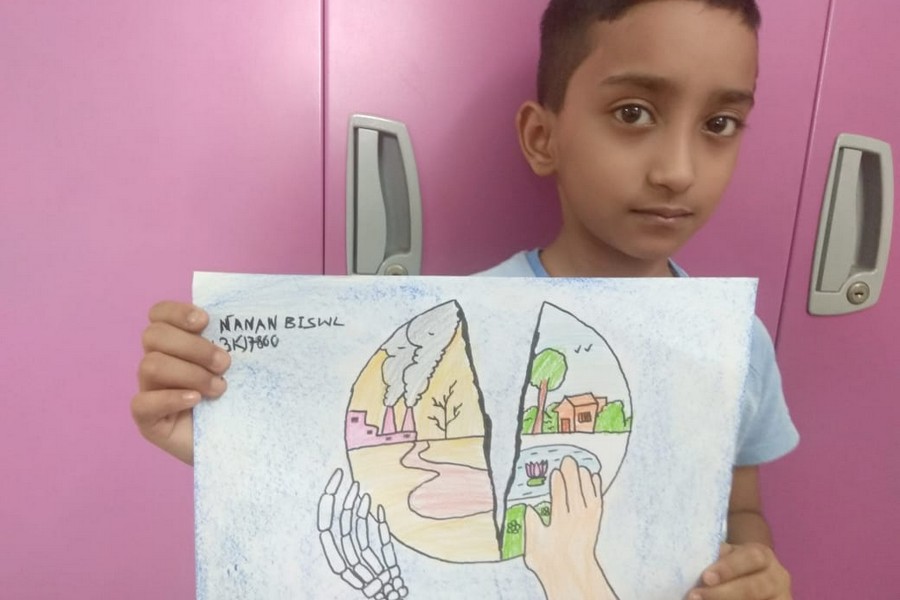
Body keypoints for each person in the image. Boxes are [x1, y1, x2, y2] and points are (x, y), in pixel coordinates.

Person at [132, 1, 798, 598]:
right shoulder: (455, 332)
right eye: (633, 113)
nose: (678, 170)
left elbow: (740, 508)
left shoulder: (738, 345)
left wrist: (753, 566)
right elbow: (343, 489)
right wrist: (223, 436)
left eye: (720, 123)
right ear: (542, 138)